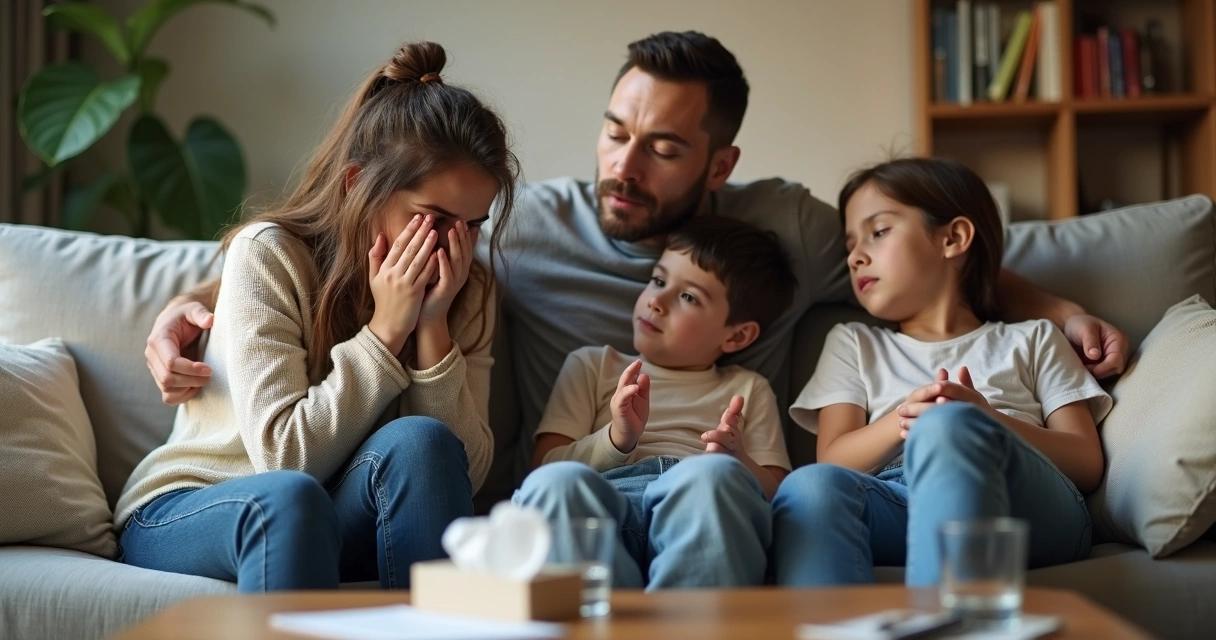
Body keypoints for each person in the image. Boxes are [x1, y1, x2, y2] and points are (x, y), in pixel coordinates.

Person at [143, 31, 1129, 589]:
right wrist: (195, 298)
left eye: (662, 148)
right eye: (615, 132)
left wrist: (1050, 305)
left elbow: (918, 258)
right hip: (525, 480)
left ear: (718, 164)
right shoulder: (523, 229)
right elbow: (300, 244)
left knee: (431, 447)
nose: (624, 164)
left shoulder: (781, 228)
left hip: (678, 482)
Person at [115, 41, 520, 592]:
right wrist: (386, 333)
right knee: (290, 498)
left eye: (473, 226)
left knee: (422, 442)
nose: (454, 247)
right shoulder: (269, 255)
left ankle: (433, 625)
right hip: (194, 506)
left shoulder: (468, 289)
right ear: (358, 186)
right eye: (435, 218)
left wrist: (432, 330)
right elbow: (285, 461)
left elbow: (459, 476)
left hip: (332, 510)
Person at [771, 157, 1113, 587]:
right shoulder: (853, 343)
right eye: (850, 244)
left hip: (1030, 504)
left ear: (953, 238)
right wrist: (906, 420)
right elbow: (834, 458)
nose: (855, 257)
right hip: (900, 498)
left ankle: (947, 618)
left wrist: (987, 421)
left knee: (950, 425)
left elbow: (1086, 462)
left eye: (878, 232)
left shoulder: (1035, 337)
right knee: (809, 488)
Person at [519, 216, 796, 588]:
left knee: (711, 477)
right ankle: (605, 611)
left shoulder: (748, 387)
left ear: (737, 336)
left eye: (688, 297)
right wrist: (617, 438)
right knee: (557, 483)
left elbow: (779, 493)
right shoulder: (593, 366)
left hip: (699, 507)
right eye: (659, 280)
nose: (656, 301)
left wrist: (738, 460)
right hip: (606, 503)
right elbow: (543, 470)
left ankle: (686, 613)